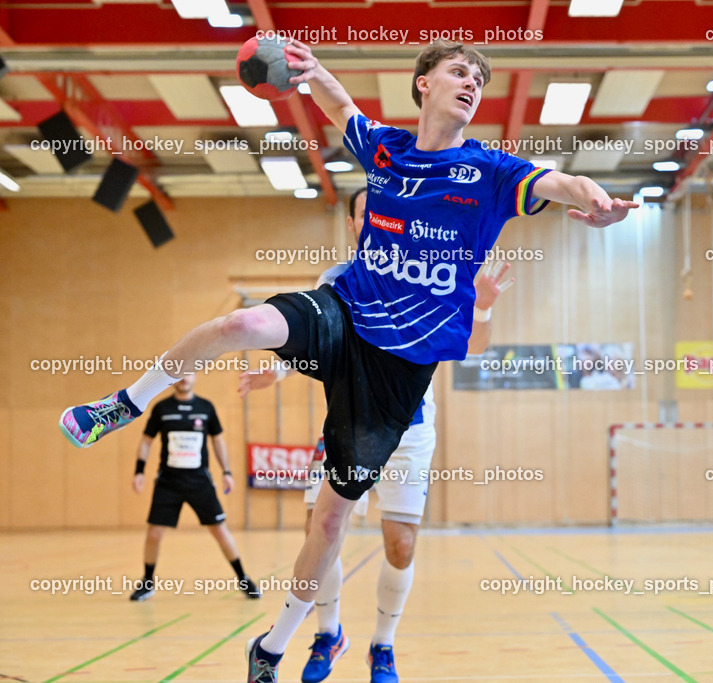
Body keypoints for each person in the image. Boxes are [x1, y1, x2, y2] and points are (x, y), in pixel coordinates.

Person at [58, 38, 637, 683]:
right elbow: (339, 108)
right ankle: (124, 402)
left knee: (330, 519)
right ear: (424, 84)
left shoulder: (493, 172)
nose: (471, 81)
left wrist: (597, 200)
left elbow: (563, 180)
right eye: (457, 71)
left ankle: (274, 646)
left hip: (399, 375)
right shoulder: (386, 148)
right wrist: (313, 70)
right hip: (347, 312)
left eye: (479, 76)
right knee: (242, 322)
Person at [237, 188, 512, 683]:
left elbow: (472, 346)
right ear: (351, 225)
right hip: (348, 424)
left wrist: (485, 308)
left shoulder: (433, 276)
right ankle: (328, 633)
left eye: (382, 213)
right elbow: (319, 342)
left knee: (400, 545)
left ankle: (382, 647)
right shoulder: (339, 280)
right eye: (365, 215)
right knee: (318, 532)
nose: (374, 221)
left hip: (410, 432)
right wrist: (274, 374)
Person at [129, 375, 261, 601]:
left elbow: (218, 441)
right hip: (168, 482)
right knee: (154, 533)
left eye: (188, 373)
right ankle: (147, 582)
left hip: (200, 482)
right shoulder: (162, 408)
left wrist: (227, 472)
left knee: (219, 530)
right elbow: (146, 441)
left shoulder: (205, 407)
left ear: (195, 376)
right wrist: (139, 471)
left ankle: (243, 578)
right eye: (179, 374)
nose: (184, 378)